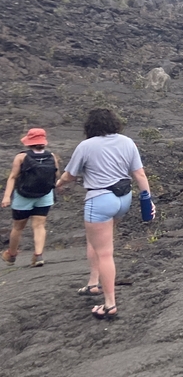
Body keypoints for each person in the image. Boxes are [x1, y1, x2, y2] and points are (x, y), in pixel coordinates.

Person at [56, 108, 154, 320]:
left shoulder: (86, 146)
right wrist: (148, 200)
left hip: (99, 201)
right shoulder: (127, 142)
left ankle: (109, 304)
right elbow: (139, 173)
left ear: (90, 126)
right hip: (123, 199)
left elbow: (70, 175)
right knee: (97, 242)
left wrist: (60, 183)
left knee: (104, 252)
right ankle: (93, 283)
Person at [2, 128, 60, 268]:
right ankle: (38, 255)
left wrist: (6, 197)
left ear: (29, 142)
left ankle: (12, 255)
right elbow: (56, 175)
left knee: (18, 227)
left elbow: (13, 177)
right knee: (39, 225)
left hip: (24, 196)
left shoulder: (21, 157)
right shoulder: (51, 156)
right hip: (45, 195)